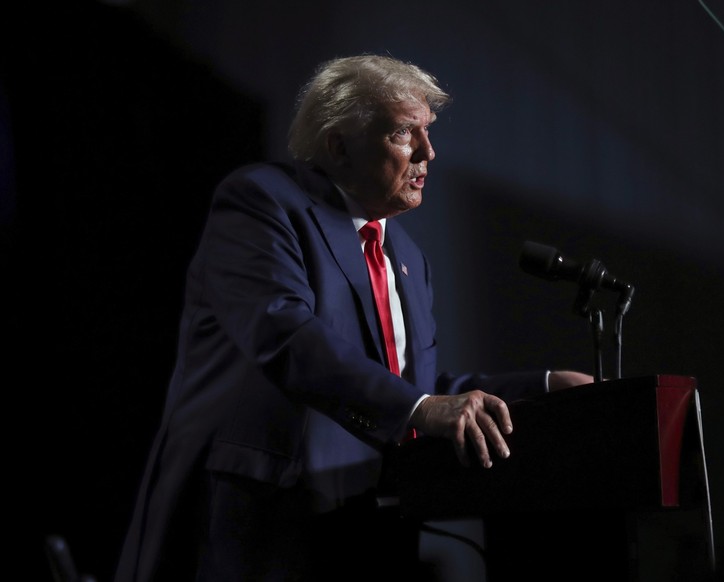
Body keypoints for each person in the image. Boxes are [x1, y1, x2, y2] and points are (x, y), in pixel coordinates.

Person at [114, 53, 593, 582]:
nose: (428, 153)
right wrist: (423, 405)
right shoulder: (264, 202)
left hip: (366, 525)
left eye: (428, 133)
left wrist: (544, 389)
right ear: (339, 145)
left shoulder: (408, 256)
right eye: (404, 135)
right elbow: (288, 336)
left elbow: (416, 389)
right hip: (259, 513)